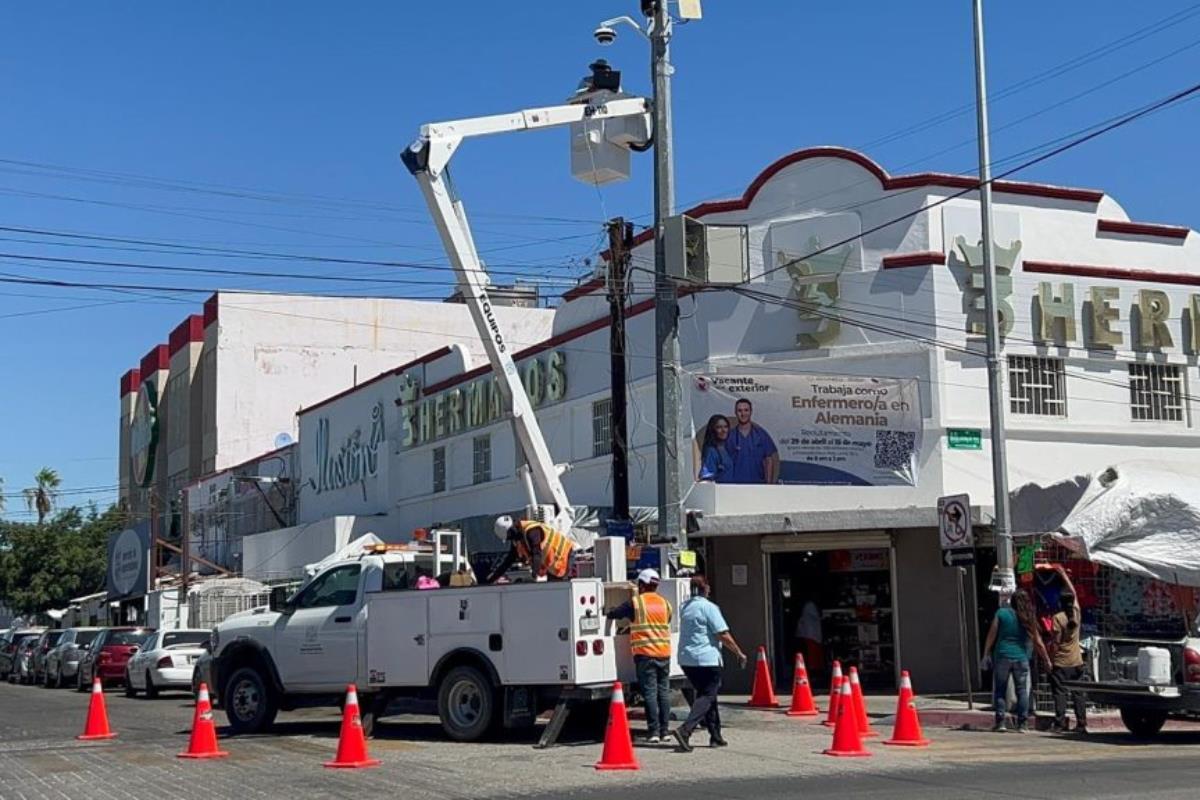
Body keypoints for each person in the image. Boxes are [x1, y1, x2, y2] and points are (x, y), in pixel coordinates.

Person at [672, 575, 748, 752]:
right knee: (707, 695)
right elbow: (722, 634)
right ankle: (685, 730)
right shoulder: (709, 607)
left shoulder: (685, 607)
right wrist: (739, 652)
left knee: (708, 696)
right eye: (708, 587)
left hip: (686, 659)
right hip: (706, 659)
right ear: (705, 588)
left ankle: (716, 735)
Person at [606, 568, 673, 743]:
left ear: (641, 585)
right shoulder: (665, 603)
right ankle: (665, 731)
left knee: (650, 694)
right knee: (663, 693)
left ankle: (654, 732)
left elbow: (614, 614)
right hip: (664, 653)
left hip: (645, 655)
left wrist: (606, 610)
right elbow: (667, 621)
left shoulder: (636, 603)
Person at [981, 590, 1051, 733]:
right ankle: (1022, 724)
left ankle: (1000, 722)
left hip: (1002, 656)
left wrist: (985, 653)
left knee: (1000, 689)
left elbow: (991, 635)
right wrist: (1047, 659)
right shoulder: (1029, 618)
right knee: (1022, 690)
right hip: (1021, 657)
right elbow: (1038, 641)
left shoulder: (1001, 613)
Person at [483, 515, 576, 584]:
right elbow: (508, 562)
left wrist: (533, 576)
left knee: (558, 589)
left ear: (512, 531)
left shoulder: (532, 531)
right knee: (552, 588)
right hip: (554, 563)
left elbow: (537, 554)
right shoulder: (518, 539)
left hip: (565, 555)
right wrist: (491, 580)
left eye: (509, 537)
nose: (511, 540)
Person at [1049, 589, 1088, 734]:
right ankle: (1081, 723)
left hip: (1061, 662)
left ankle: (1059, 723)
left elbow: (1056, 642)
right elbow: (1075, 595)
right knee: (1078, 694)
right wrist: (1065, 577)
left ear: (1060, 602)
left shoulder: (1058, 618)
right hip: (1077, 661)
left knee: (1060, 693)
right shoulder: (1077, 614)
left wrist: (1051, 660)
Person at [728, 398, 779, 485]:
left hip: (757, 485)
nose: (743, 414)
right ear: (735, 412)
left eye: (746, 410)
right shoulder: (729, 436)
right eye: (739, 411)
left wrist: (769, 485)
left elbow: (768, 460)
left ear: (751, 412)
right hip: (734, 486)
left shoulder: (761, 434)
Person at [697, 415, 735, 483]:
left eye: (725, 427)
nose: (723, 430)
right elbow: (706, 479)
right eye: (719, 427)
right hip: (719, 491)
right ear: (713, 430)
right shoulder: (711, 451)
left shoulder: (727, 449)